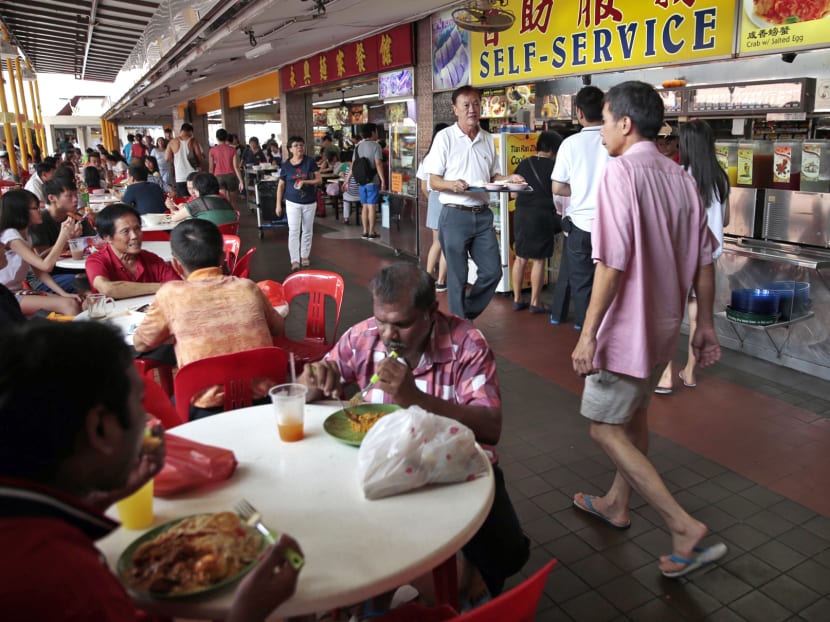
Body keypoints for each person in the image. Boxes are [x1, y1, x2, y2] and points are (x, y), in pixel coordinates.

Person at [0, 321, 302, 621]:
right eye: (139, 404)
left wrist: (107, 498)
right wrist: (245, 614)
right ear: (101, 428)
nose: (148, 418)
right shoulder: (69, 584)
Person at [300, 262, 528, 602]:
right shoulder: (363, 337)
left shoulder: (467, 345)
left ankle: (468, 581)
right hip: (382, 471)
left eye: (402, 324)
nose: (389, 334)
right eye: (382, 320)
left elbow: (490, 427)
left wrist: (415, 399)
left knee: (506, 554)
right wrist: (313, 381)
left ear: (431, 312)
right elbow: (312, 385)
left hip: (453, 470)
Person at [570, 81, 725, 578]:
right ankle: (617, 502)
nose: (600, 132)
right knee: (634, 420)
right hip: (662, 330)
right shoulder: (681, 178)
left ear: (625, 123)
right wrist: (705, 327)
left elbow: (611, 263)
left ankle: (682, 526)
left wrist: (588, 332)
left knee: (603, 428)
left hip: (623, 331)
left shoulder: (619, 174)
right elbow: (705, 260)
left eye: (606, 120)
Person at [134, 219, 285, 418]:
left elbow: (141, 344)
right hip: (265, 402)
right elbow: (277, 327)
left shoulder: (170, 295)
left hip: (204, 410)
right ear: (223, 257)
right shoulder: (247, 287)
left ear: (177, 265)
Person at [423, 85, 525, 320]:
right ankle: (460, 329)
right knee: (457, 278)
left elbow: (492, 177)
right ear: (455, 109)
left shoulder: (487, 139)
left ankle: (463, 315)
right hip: (455, 215)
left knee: (493, 272)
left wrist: (510, 178)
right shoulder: (445, 138)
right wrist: (451, 185)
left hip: (482, 215)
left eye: (476, 104)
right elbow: (434, 181)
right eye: (466, 105)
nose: (472, 109)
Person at [656, 120, 730, 394]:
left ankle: (665, 376)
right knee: (697, 315)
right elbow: (727, 219)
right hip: (709, 257)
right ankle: (689, 373)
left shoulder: (678, 174)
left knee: (670, 317)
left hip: (680, 256)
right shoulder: (721, 178)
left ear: (684, 144)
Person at [550, 86, 610, 330]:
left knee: (582, 285)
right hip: (611, 228)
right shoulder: (615, 139)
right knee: (610, 283)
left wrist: (582, 191)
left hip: (582, 228)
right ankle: (607, 335)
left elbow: (557, 187)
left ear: (579, 113)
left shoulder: (570, 144)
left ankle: (588, 334)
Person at [0, 189, 81, 316]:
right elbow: (46, 266)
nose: (40, 211)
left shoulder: (25, 233)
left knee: (72, 300)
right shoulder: (11, 235)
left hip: (18, 291)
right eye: (35, 208)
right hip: (6, 296)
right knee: (69, 304)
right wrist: (63, 236)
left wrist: (62, 293)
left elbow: (39, 269)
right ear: (21, 211)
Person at [511, 130, 563, 313]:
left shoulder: (525, 163)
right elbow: (560, 194)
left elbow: (513, 193)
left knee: (520, 258)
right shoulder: (555, 166)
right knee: (539, 260)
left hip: (522, 214)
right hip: (542, 216)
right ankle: (535, 302)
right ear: (553, 149)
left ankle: (517, 299)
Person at [85, 203, 179, 299]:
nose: (134, 236)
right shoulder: (96, 260)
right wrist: (162, 286)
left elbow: (177, 287)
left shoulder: (152, 259)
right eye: (125, 231)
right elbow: (107, 288)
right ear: (107, 237)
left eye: (137, 229)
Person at [28, 176, 96, 293]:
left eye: (76, 195)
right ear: (52, 198)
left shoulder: (77, 217)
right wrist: (67, 240)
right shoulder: (40, 221)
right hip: (46, 276)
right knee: (87, 281)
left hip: (73, 267)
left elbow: (95, 240)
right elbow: (41, 259)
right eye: (69, 196)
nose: (75, 200)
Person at [276, 136, 322, 272]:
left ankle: (305, 256)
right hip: (292, 202)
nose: (299, 148)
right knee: (294, 231)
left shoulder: (310, 162)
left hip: (309, 202)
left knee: (307, 230)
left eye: (301, 145)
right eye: (296, 146)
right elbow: (281, 185)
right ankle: (294, 259)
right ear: (290, 149)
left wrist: (306, 182)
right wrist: (278, 204)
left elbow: (319, 179)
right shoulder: (286, 165)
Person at [415, 123, 450, 292]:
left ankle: (427, 277)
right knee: (446, 243)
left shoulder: (426, 158)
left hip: (434, 200)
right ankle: (441, 281)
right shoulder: (446, 155)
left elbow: (423, 186)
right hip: (446, 199)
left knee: (436, 243)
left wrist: (432, 201)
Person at [348, 123, 386, 239]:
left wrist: (347, 179)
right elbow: (378, 164)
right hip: (372, 181)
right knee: (372, 207)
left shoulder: (358, 147)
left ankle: (364, 231)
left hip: (361, 182)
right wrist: (383, 180)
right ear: (373, 132)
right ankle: (371, 231)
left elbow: (353, 165)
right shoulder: (376, 146)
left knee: (364, 206)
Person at [170, 172, 238, 225]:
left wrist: (171, 207)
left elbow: (174, 218)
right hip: (228, 240)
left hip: (207, 240)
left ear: (199, 189)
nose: (193, 191)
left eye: (195, 188)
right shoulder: (226, 201)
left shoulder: (199, 202)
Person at [166, 123, 203, 197]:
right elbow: (199, 156)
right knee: (195, 197)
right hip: (193, 175)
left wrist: (176, 162)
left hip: (180, 176)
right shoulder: (193, 141)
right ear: (190, 131)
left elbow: (167, 158)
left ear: (181, 130)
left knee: (183, 199)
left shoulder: (172, 142)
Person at [209, 128, 244, 205]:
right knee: (233, 201)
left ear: (217, 138)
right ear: (226, 137)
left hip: (218, 177)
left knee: (223, 200)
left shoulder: (212, 150)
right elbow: (236, 167)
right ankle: (234, 216)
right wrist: (241, 181)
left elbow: (211, 168)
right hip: (231, 176)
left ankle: (225, 215)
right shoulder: (232, 150)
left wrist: (211, 180)